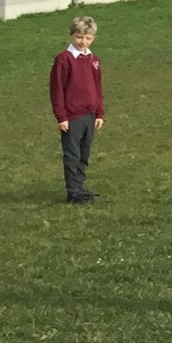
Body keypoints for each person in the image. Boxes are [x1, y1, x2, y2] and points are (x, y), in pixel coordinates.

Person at [48, 15, 105, 204]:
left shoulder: (93, 59)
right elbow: (57, 89)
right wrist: (61, 116)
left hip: (90, 114)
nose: (83, 42)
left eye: (88, 38)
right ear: (72, 36)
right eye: (80, 37)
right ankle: (72, 191)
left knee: (84, 153)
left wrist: (99, 112)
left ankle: (81, 186)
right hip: (72, 116)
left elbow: (97, 87)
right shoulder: (64, 60)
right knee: (72, 154)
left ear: (93, 39)